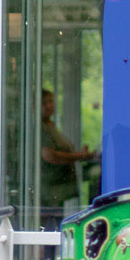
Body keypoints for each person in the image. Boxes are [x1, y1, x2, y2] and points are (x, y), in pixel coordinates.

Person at [40, 89, 94, 230]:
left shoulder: (50, 125)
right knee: (47, 228)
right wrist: (79, 156)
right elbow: (49, 155)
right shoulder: (39, 127)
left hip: (58, 190)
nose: (49, 106)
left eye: (51, 101)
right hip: (48, 191)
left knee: (56, 226)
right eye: (44, 103)